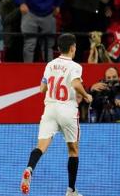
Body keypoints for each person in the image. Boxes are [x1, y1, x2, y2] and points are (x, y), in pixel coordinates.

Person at [20, 33, 93, 196]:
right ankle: (71, 191)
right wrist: (86, 95)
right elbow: (75, 83)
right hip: (67, 109)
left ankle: (29, 168)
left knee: (41, 146)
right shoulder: (75, 66)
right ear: (73, 48)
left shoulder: (50, 65)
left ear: (59, 49)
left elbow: (42, 89)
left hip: (50, 109)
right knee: (73, 150)